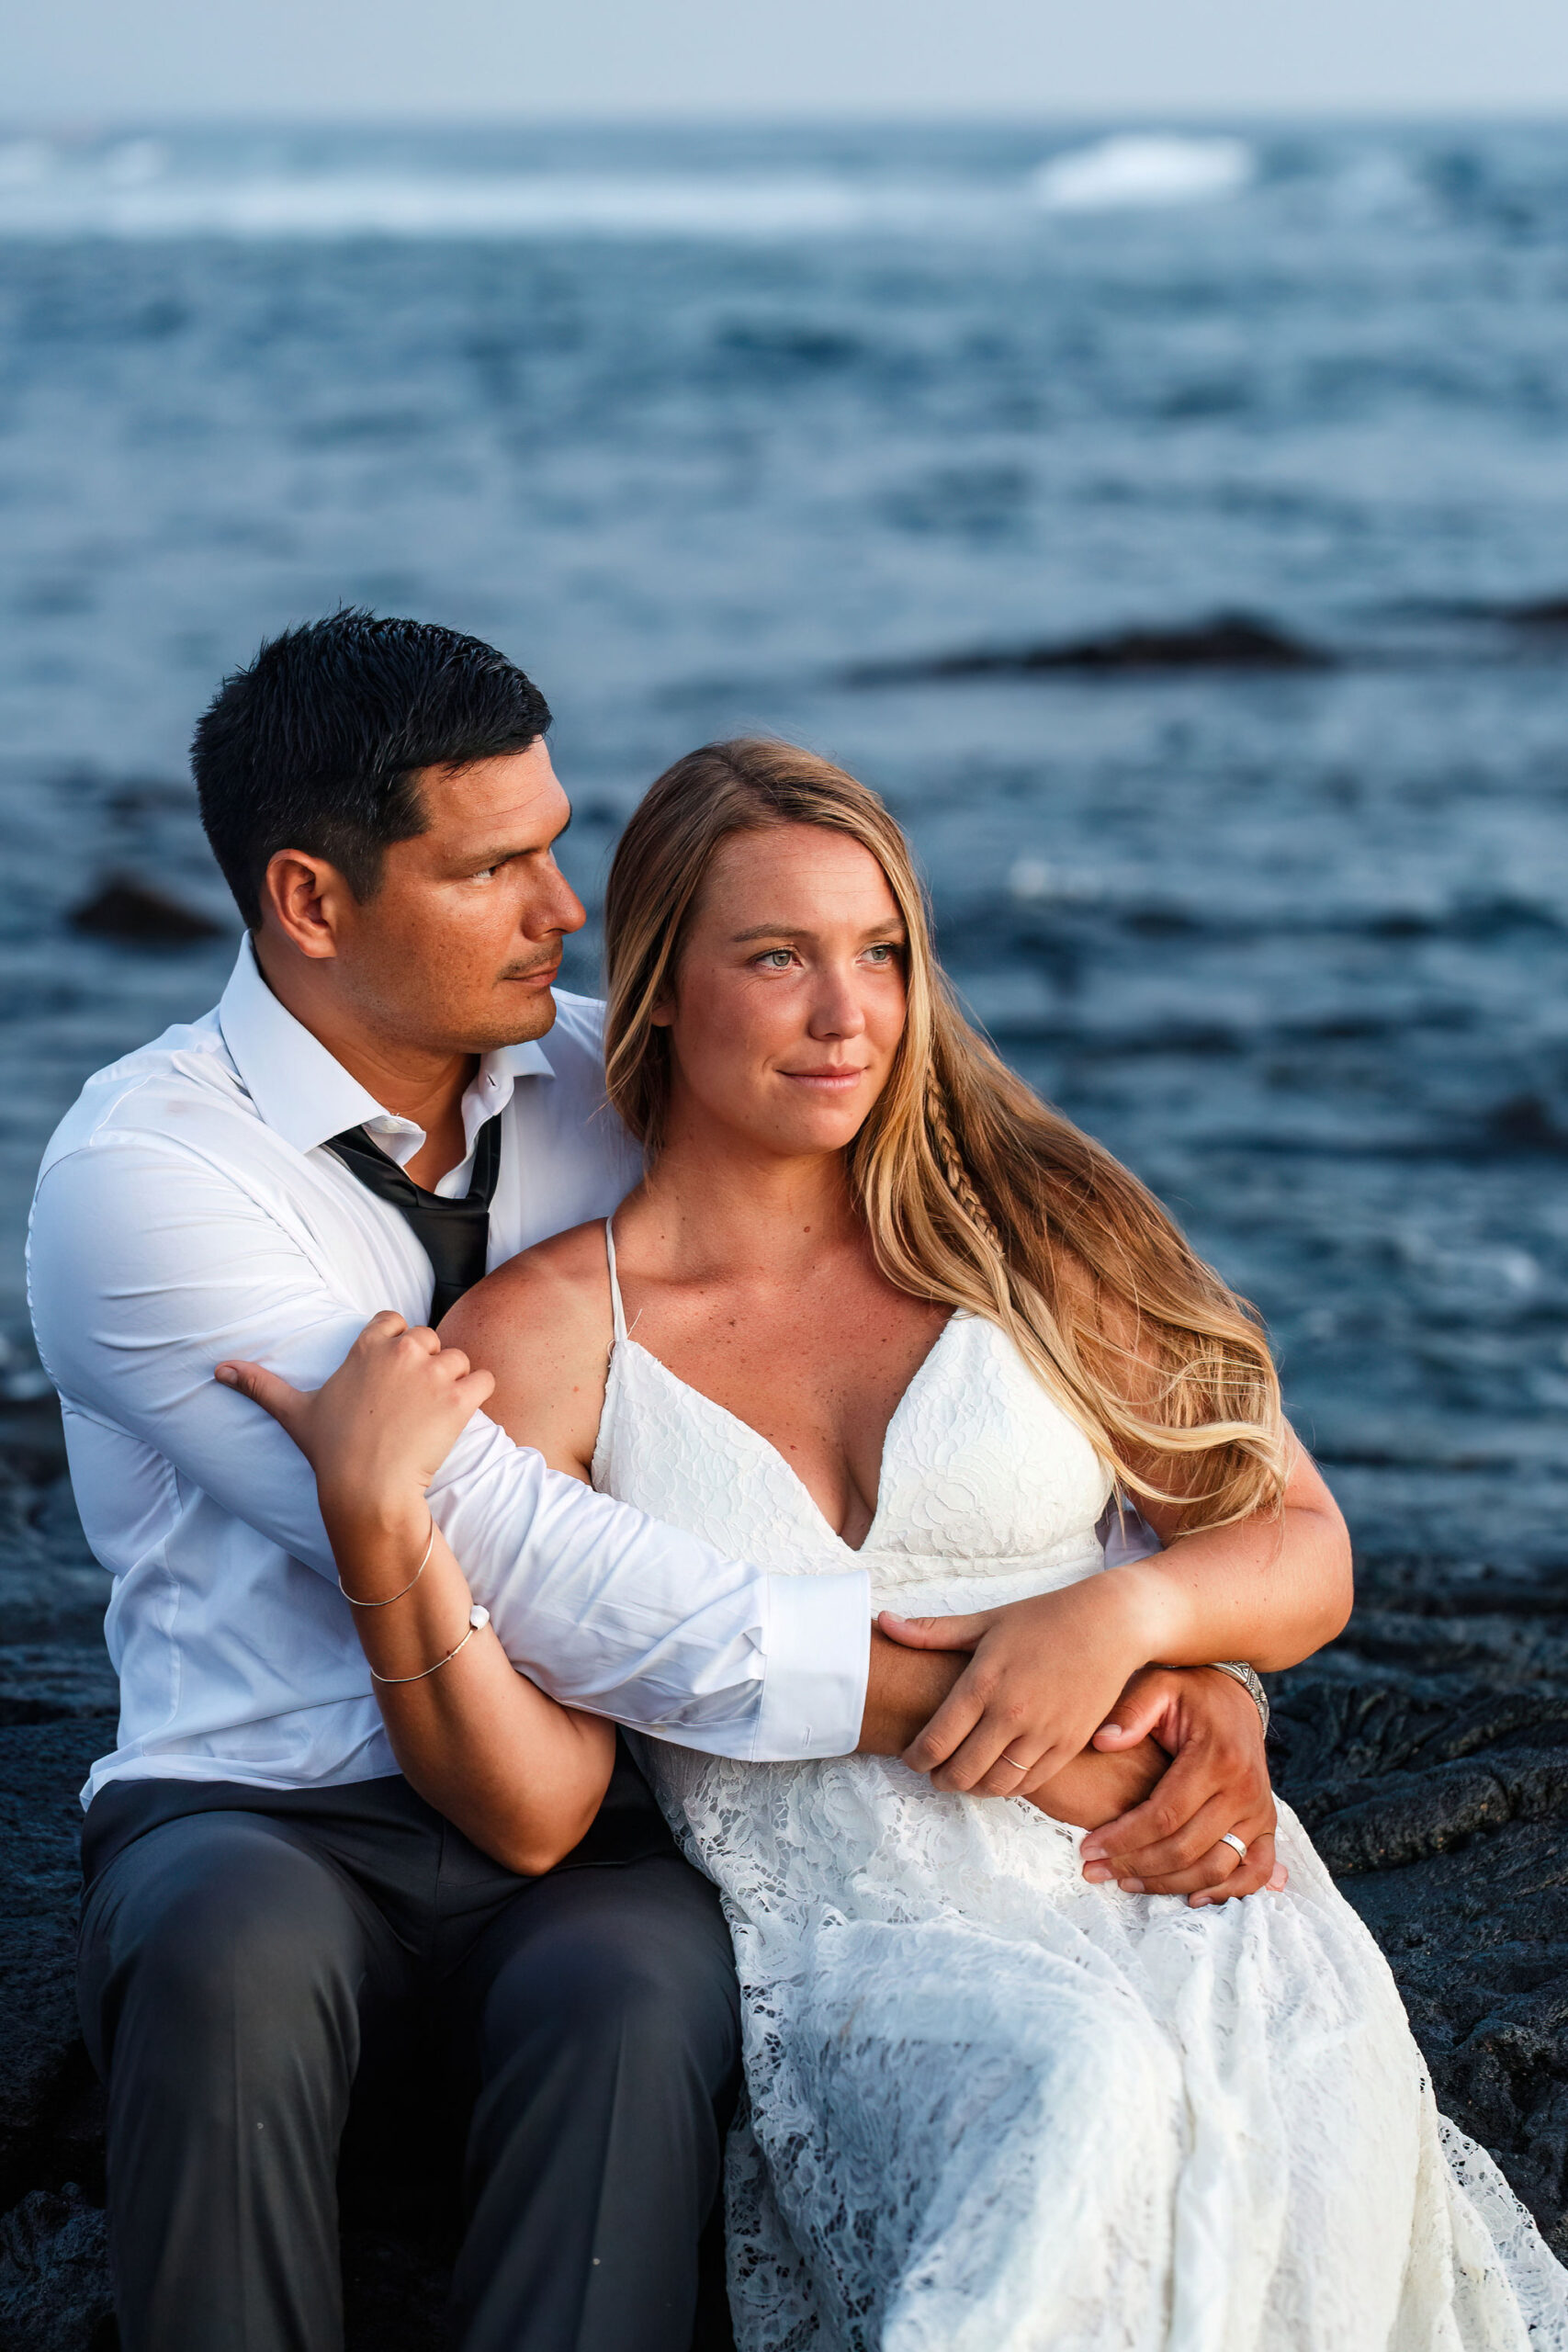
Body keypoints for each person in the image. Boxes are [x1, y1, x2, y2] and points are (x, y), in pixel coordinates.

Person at [28, 617, 1283, 2352]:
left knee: (632, 1987)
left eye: (559, 842)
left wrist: (1172, 1648)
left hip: (603, 1806)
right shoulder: (144, 1179)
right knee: (227, 1956)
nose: (564, 908)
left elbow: (914, 1302)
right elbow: (532, 1552)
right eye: (498, 867)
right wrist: (1014, 1708)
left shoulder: (611, 1084)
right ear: (312, 901)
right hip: (267, 1802)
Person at [229, 736, 1568, 2351]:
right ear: (658, 987)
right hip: (859, 1939)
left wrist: (1148, 1623)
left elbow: (1299, 1544)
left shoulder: (1030, 1234)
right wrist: (381, 1528)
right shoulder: (549, 1335)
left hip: (1189, 1885)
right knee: (1079, 2094)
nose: (845, 1012)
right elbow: (532, 1795)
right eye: (778, 957)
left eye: (881, 954)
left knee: (1295, 2085)